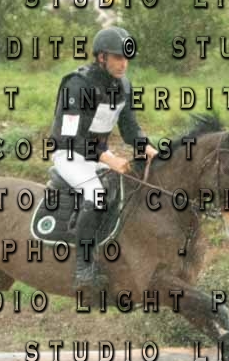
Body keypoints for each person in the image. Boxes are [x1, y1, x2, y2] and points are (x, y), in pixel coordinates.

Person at [49, 26, 159, 291]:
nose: (124, 64)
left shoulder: (123, 85)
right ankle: (83, 269)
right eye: (118, 58)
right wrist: (109, 159)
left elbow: (130, 129)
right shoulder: (77, 85)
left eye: (126, 58)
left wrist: (150, 150)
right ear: (101, 57)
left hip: (97, 154)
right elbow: (71, 137)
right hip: (69, 153)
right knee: (96, 194)